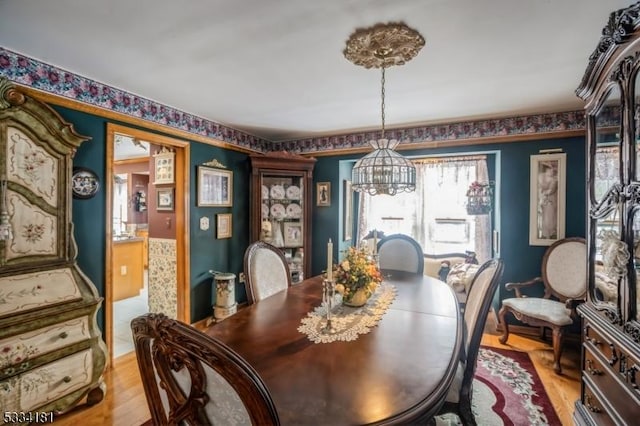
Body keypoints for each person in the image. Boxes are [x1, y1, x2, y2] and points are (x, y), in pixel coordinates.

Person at [538, 161, 558, 239]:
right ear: (546, 169)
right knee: (543, 217)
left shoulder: (554, 180)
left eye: (552, 169)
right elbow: (538, 188)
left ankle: (550, 232)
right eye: (550, 169)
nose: (552, 171)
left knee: (550, 216)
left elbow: (551, 190)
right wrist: (541, 194)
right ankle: (545, 233)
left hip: (550, 199)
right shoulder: (540, 176)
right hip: (542, 199)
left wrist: (545, 193)